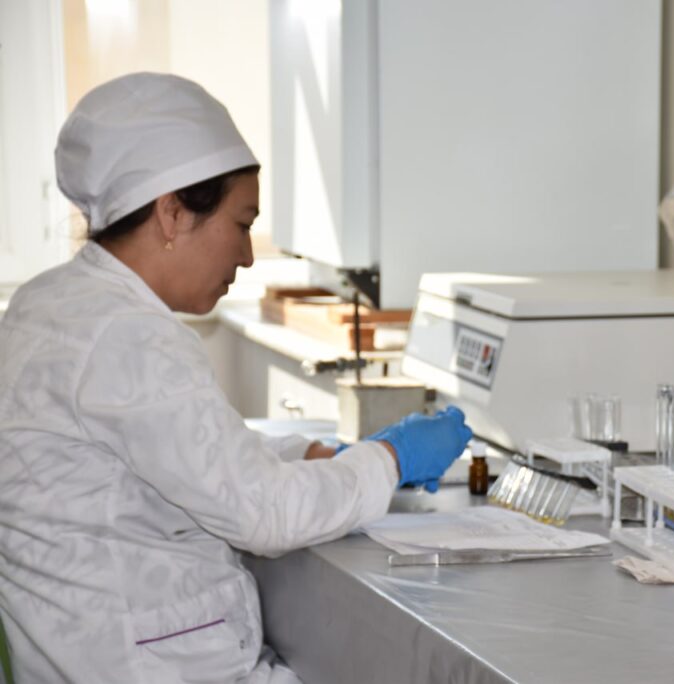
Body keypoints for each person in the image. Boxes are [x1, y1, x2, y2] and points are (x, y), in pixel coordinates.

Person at [0, 72, 471, 683]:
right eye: (242, 223)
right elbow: (265, 514)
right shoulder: (126, 334)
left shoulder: (52, 303)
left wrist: (310, 453)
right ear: (172, 213)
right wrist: (390, 458)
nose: (247, 256)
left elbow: (178, 453)